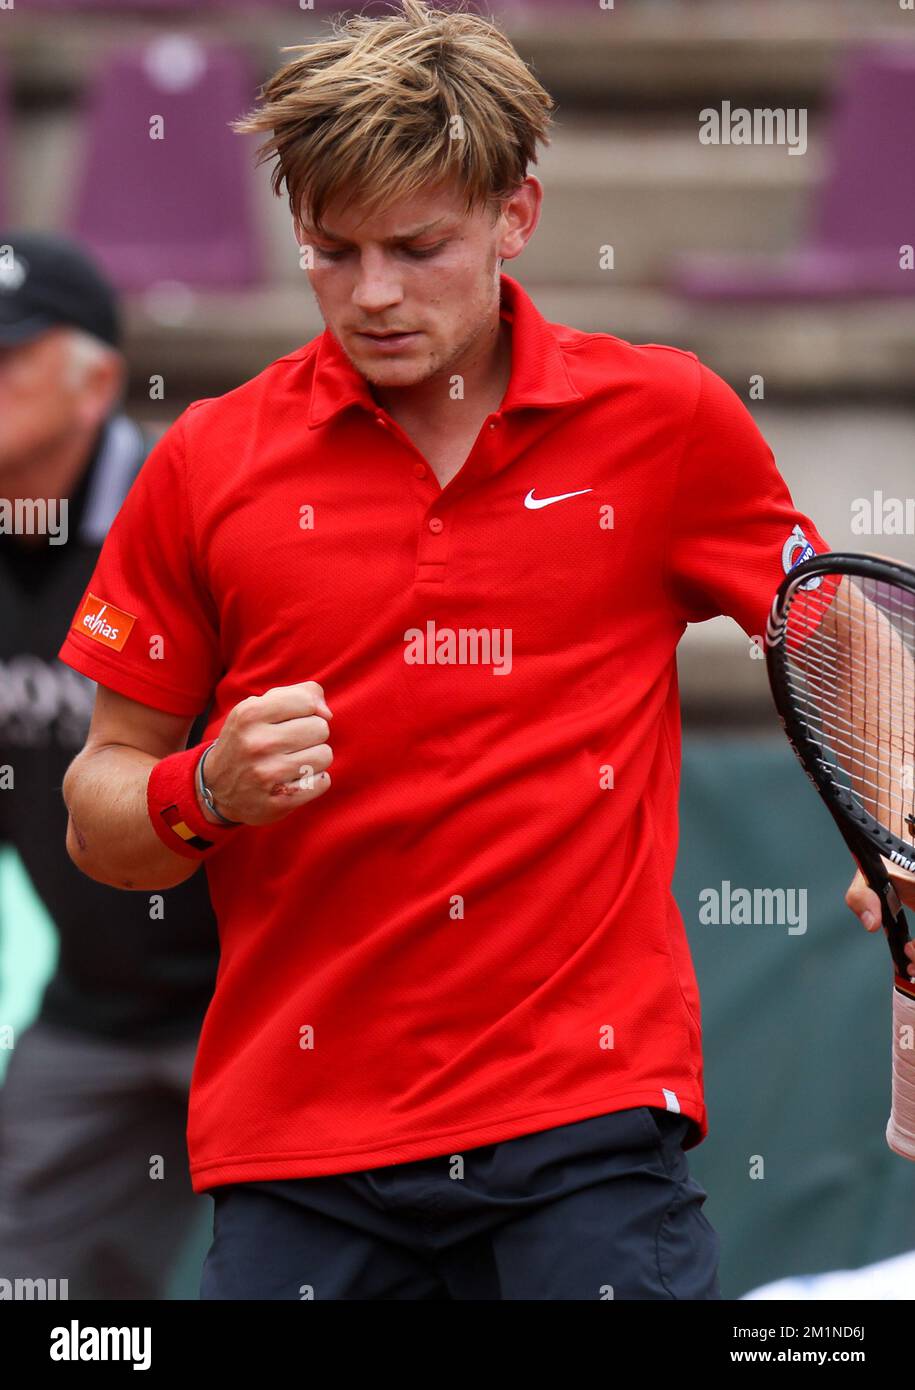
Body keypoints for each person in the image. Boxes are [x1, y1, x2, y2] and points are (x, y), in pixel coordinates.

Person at [57, 1, 909, 1300]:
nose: (374, 293)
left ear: (515, 215)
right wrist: (203, 789)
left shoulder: (666, 419)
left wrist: (896, 814)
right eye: (330, 253)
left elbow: (835, 632)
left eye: (417, 246)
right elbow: (100, 810)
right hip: (296, 1139)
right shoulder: (204, 465)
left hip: (589, 1117)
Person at [0, 231, 219, 1299]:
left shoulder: (191, 519)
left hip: (269, 1003)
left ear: (95, 382)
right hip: (91, 1007)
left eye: (5, 358)